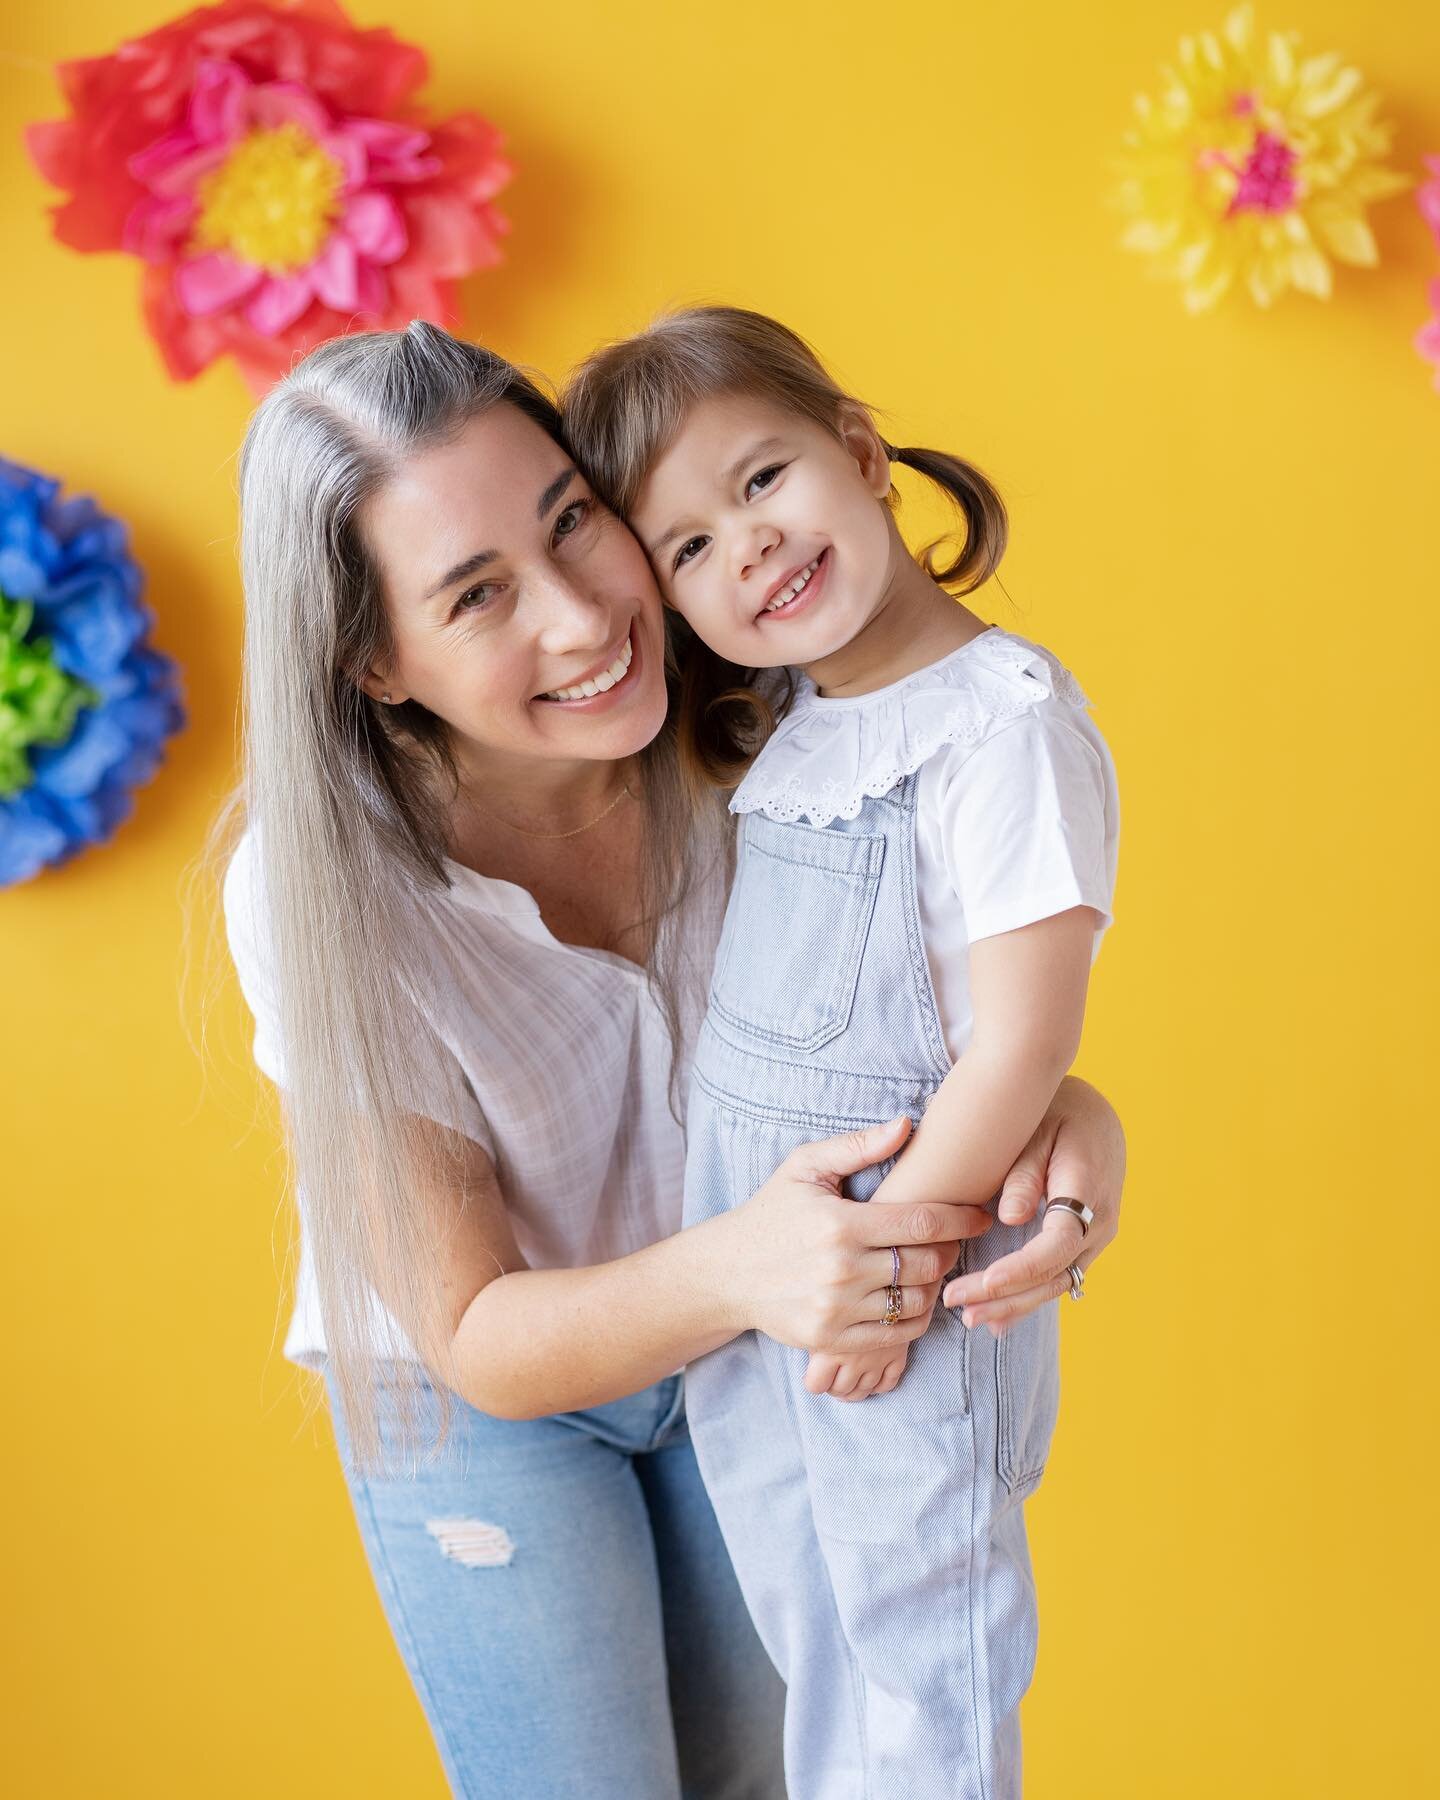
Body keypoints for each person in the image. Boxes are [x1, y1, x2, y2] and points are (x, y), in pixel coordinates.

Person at [223, 318, 1128, 1799]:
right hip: (502, 1394)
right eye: (477, 595)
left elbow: (954, 1013)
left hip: (760, 1353)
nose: (584, 620)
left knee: (775, 1772)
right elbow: (477, 1337)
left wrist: (1069, 1115)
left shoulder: (781, 730)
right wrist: (747, 1269)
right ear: (377, 664)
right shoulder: (322, 892)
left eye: (573, 522)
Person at [565, 305, 1121, 1797]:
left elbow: (1019, 1046)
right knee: (812, 1645)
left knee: (917, 1662)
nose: (742, 549)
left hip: (898, 1287)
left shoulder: (998, 724)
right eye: (684, 548)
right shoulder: (800, 724)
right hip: (763, 1267)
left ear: (862, 455)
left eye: (760, 482)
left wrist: (890, 1281)